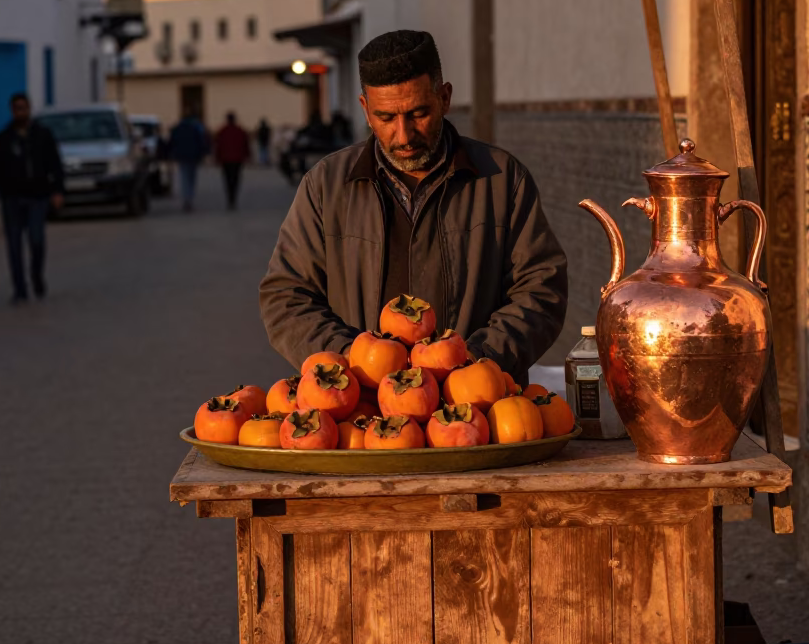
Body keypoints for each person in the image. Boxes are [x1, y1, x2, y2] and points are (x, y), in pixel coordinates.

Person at [259, 30, 567, 381]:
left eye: (418, 113)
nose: (403, 136)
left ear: (445, 98)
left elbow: (543, 288)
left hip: (477, 415)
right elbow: (285, 296)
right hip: (360, 416)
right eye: (386, 118)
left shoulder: (503, 179)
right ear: (365, 109)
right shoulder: (324, 187)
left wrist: (475, 361)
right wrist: (353, 363)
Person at [0, 92, 64, 303]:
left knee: (37, 240)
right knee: (13, 246)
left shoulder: (42, 135)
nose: (21, 111)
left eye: (24, 107)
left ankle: (36, 275)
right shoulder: (3, 139)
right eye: (17, 108)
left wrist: (57, 190)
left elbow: (55, 163)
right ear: (12, 111)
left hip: (37, 197)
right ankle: (19, 289)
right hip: (11, 198)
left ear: (29, 108)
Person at [168, 109, 208, 212]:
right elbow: (201, 142)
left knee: (184, 178)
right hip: (192, 156)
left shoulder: (177, 128)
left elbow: (172, 142)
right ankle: (189, 199)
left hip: (182, 156)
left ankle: (187, 199)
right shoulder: (195, 128)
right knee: (191, 178)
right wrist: (202, 153)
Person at [214, 112, 251, 210]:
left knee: (227, 180)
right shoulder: (240, 131)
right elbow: (245, 145)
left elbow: (218, 146)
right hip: (237, 159)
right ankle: (233, 198)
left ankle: (230, 198)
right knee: (235, 179)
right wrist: (247, 156)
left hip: (226, 159)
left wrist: (217, 158)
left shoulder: (222, 131)